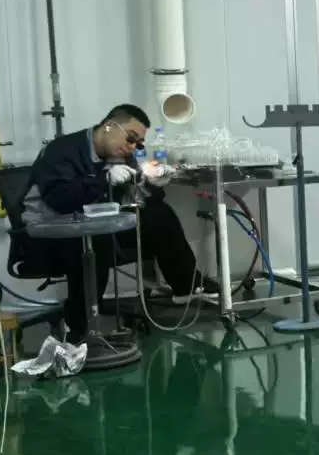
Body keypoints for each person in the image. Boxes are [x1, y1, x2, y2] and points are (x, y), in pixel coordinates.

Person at [15, 104, 205, 339]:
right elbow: (60, 199)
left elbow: (136, 198)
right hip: (48, 232)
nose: (132, 147)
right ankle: (80, 327)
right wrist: (103, 179)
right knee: (95, 239)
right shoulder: (62, 150)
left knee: (159, 216)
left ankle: (188, 287)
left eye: (138, 144)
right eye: (131, 138)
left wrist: (149, 185)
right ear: (108, 126)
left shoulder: (120, 156)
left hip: (93, 226)